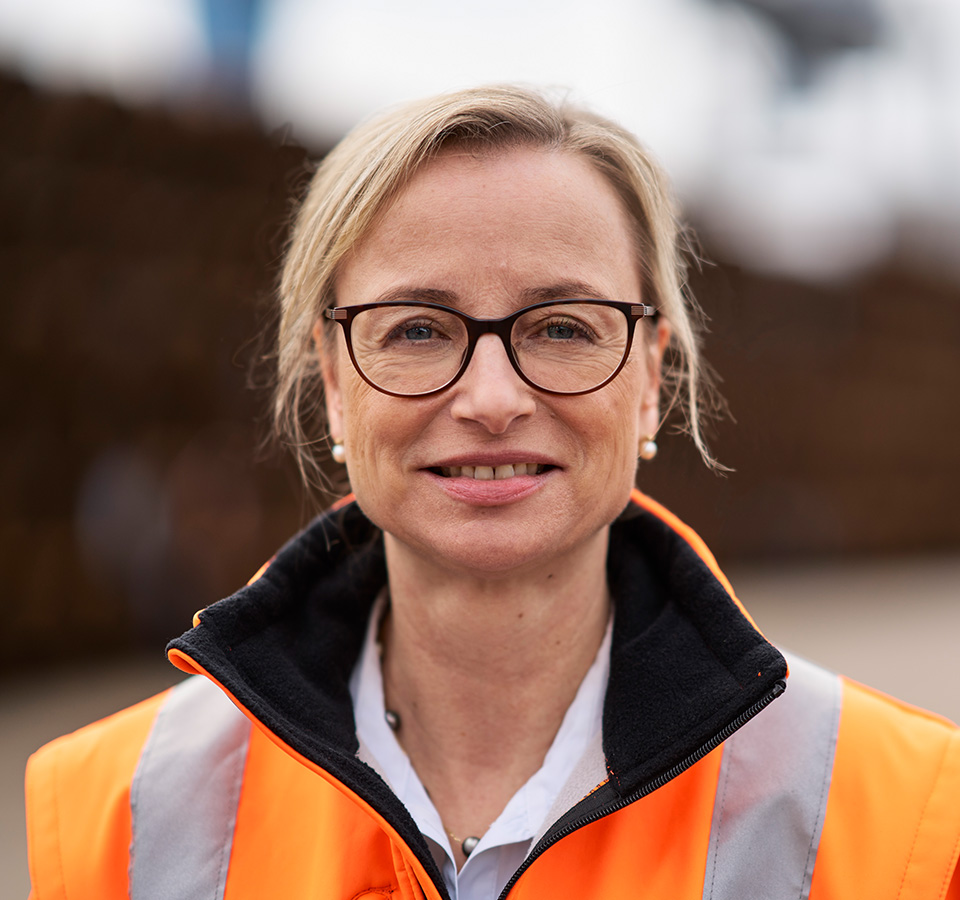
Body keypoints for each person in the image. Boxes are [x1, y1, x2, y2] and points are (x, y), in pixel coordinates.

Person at [25, 86, 960, 900]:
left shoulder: (906, 815)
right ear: (336, 382)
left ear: (649, 377)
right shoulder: (118, 812)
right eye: (419, 331)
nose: (492, 399)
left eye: (560, 326)